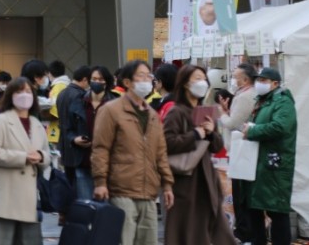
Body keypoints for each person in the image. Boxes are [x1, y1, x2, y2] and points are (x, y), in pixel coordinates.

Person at [92, 60, 175, 245]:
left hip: (149, 191)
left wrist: (167, 184)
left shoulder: (152, 115)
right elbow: (101, 148)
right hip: (122, 189)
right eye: (140, 75)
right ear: (127, 82)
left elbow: (160, 153)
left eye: (149, 76)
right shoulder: (111, 110)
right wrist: (100, 182)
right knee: (124, 240)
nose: (146, 80)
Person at [162, 65, 235, 245]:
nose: (201, 82)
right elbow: (167, 143)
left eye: (203, 78)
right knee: (188, 229)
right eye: (196, 78)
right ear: (185, 83)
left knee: (215, 228)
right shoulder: (176, 112)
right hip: (185, 181)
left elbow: (217, 146)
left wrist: (211, 132)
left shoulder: (205, 112)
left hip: (207, 179)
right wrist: (195, 135)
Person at [0, 77, 50, 245]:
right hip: (4, 197)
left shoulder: (36, 124)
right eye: (19, 92)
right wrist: (22, 157)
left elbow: (46, 152)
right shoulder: (1, 121)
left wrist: (40, 156)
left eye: (28, 92)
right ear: (10, 95)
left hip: (29, 199)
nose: (24, 96)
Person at [240, 68, 297, 245]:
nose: (259, 83)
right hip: (258, 163)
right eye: (259, 80)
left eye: (264, 80)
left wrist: (253, 130)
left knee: (277, 210)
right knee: (254, 208)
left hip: (275, 164)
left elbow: (280, 126)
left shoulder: (283, 101)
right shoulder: (263, 101)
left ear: (275, 83)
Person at [217, 62, 257, 243]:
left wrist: (221, 114)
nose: (233, 78)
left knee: (241, 194)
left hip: (240, 150)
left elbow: (233, 123)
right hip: (243, 149)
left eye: (235, 76)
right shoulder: (244, 94)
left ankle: (243, 232)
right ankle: (245, 231)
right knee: (242, 194)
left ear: (245, 79)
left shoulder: (245, 96)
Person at [64, 65, 115, 200]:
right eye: (94, 79)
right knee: (86, 205)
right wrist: (75, 139)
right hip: (83, 160)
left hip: (107, 164)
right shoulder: (78, 101)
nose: (97, 82)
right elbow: (68, 129)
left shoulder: (114, 103)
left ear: (107, 82)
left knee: (105, 208)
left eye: (100, 79)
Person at [55, 65, 91, 188]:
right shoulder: (80, 95)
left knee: (70, 186)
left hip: (65, 145)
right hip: (78, 147)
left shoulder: (62, 93)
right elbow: (81, 121)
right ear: (85, 80)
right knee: (81, 189)